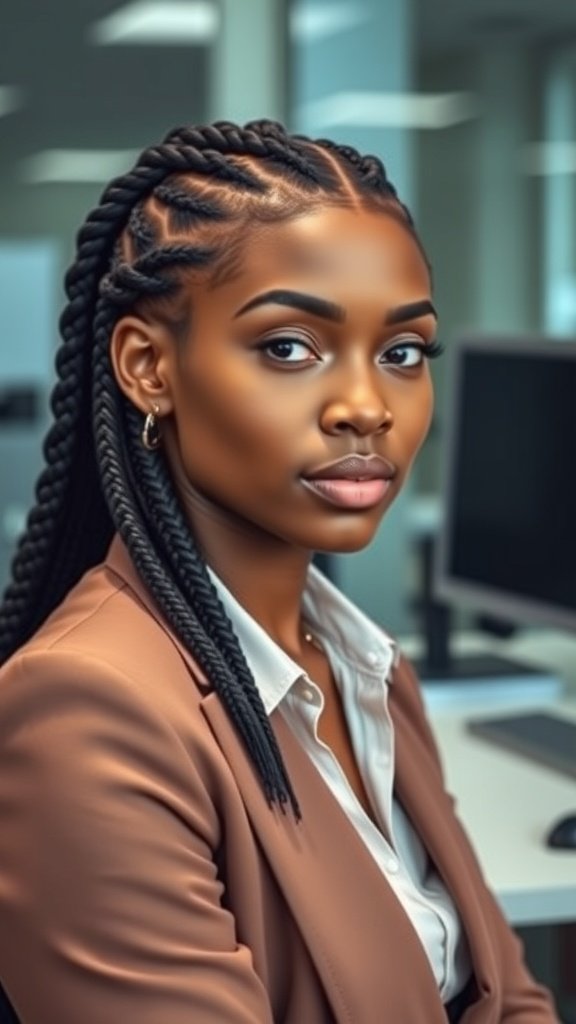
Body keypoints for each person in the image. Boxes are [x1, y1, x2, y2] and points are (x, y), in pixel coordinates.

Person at [0, 119, 559, 1023]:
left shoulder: (363, 664)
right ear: (149, 367)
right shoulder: (84, 713)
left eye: (403, 353)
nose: (367, 407)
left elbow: (506, 991)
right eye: (290, 347)